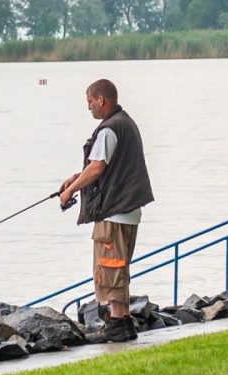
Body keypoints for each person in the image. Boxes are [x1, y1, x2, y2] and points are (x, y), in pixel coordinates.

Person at [57, 78, 155, 343]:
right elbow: (106, 166)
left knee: (109, 267)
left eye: (90, 101)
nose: (88, 107)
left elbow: (98, 167)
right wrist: (76, 177)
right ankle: (121, 321)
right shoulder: (126, 123)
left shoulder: (109, 129)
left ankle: (117, 323)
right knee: (119, 267)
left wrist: (69, 191)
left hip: (113, 212)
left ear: (101, 100)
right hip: (129, 210)